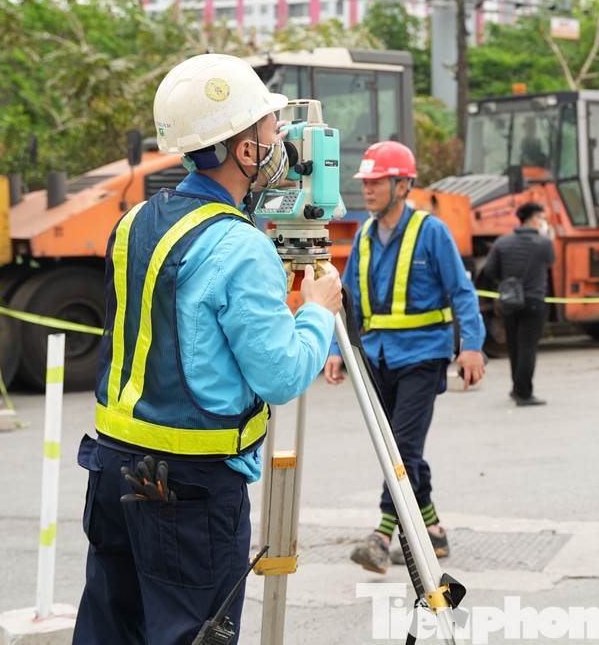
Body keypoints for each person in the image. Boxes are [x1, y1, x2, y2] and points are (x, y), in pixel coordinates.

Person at [73, 53, 344, 645]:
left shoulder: (137, 219)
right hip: (189, 491)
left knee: (110, 631)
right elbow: (279, 376)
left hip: (115, 469)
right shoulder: (240, 248)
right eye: (272, 132)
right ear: (245, 152)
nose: (283, 144)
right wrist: (319, 311)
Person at [323, 140, 486, 573]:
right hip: (377, 358)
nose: (368, 190)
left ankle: (380, 536)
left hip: (423, 356)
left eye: (377, 182)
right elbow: (347, 297)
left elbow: (461, 292)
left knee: (403, 447)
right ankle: (433, 531)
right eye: (366, 182)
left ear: (402, 184)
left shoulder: (431, 232)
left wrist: (471, 345)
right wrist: (338, 349)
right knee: (399, 447)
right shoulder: (363, 235)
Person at [483, 201, 556, 406]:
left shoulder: (503, 242)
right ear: (533, 219)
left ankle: (516, 388)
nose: (544, 222)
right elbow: (550, 262)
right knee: (527, 347)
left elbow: (490, 269)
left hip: (510, 300)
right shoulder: (544, 243)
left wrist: (507, 282)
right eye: (542, 218)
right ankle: (524, 393)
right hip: (534, 300)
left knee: (514, 346)